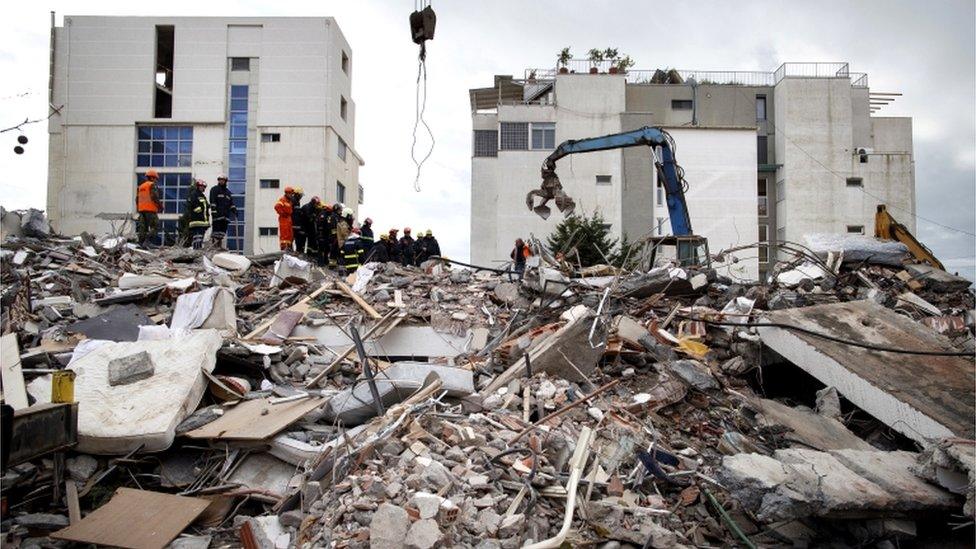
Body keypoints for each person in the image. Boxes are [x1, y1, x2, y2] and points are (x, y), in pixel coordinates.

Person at [135, 169, 163, 247]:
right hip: (150, 210)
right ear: (152, 178)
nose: (156, 181)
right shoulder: (152, 185)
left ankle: (141, 243)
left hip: (141, 210)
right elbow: (154, 196)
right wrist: (160, 206)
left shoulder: (140, 187)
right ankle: (147, 241)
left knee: (143, 228)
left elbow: (137, 199)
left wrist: (139, 208)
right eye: (156, 179)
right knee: (156, 226)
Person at [209, 174, 236, 249]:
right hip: (217, 215)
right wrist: (214, 212)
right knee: (216, 232)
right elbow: (212, 201)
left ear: (225, 181)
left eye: (223, 180)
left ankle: (219, 246)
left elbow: (231, 203)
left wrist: (234, 209)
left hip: (225, 216)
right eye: (220, 180)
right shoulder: (214, 189)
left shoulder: (228, 192)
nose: (221, 181)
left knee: (222, 233)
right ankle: (214, 246)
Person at [186, 179, 211, 250]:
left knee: (200, 237)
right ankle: (196, 249)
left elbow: (205, 208)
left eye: (203, 187)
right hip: (197, 221)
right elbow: (193, 205)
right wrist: (199, 212)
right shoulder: (194, 194)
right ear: (198, 186)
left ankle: (198, 249)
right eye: (201, 186)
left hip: (203, 222)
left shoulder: (202, 196)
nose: (202, 188)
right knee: (197, 236)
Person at [291, 187, 307, 254]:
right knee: (292, 239)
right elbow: (292, 214)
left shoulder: (297, 201)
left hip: (296, 225)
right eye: (300, 195)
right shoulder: (293, 200)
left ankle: (297, 252)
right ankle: (290, 252)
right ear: (297, 194)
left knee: (298, 239)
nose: (301, 197)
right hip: (293, 224)